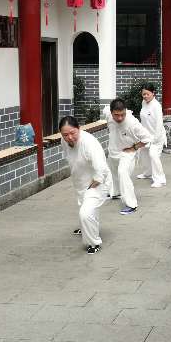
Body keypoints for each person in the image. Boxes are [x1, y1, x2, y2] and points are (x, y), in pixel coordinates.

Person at [59, 116, 112, 254]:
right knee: (85, 208)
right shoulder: (64, 141)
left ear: (79, 129)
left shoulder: (89, 143)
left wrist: (98, 179)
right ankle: (86, 227)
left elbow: (101, 166)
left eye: (73, 133)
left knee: (85, 212)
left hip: (97, 182)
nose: (69, 137)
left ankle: (93, 243)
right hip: (80, 180)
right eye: (65, 135)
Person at [103, 99, 153, 215]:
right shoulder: (107, 113)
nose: (120, 118)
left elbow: (147, 138)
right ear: (111, 113)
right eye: (116, 115)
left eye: (122, 114)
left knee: (122, 172)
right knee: (113, 173)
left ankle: (131, 204)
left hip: (127, 153)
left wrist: (134, 148)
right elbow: (106, 110)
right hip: (113, 152)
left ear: (126, 112)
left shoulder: (132, 123)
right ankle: (115, 193)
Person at [136, 84, 167, 188]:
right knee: (143, 153)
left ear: (153, 93)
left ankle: (160, 179)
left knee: (153, 155)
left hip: (157, 136)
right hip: (146, 135)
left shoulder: (156, 106)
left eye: (147, 94)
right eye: (143, 94)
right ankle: (148, 172)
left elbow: (159, 123)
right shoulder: (143, 103)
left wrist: (155, 138)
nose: (145, 96)